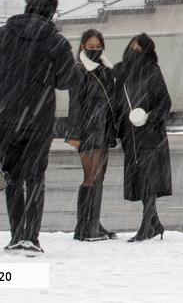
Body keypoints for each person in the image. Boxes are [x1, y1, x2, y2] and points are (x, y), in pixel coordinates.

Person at [0, 0, 80, 254]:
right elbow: (66, 81)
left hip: (7, 117)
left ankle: (16, 235)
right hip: (39, 119)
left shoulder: (1, 35)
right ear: (51, 12)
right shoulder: (55, 41)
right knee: (35, 178)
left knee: (12, 177)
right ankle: (31, 237)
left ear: (27, 6)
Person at [114, 33, 172, 242]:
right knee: (140, 181)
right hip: (130, 136)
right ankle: (155, 224)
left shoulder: (152, 71)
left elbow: (164, 102)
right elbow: (116, 102)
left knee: (149, 182)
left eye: (138, 48)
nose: (133, 50)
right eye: (132, 46)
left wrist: (149, 118)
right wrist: (119, 129)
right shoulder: (120, 71)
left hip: (149, 135)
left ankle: (146, 227)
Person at [65, 29, 117, 241]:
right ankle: (86, 227)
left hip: (104, 128)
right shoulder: (79, 70)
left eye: (98, 46)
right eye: (91, 47)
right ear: (82, 46)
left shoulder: (106, 69)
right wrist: (74, 133)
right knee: (91, 177)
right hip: (88, 129)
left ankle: (92, 223)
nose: (95, 50)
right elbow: (75, 103)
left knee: (99, 177)